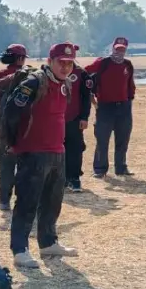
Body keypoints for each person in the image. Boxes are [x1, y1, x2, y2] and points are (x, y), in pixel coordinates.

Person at [4, 43, 80, 269]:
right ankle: (20, 249)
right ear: (50, 61)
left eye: (69, 63)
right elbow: (11, 112)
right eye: (61, 62)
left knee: (52, 201)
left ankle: (48, 242)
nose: (65, 67)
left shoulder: (64, 83)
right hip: (33, 152)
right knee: (27, 202)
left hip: (57, 151)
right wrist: (14, 142)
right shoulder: (34, 82)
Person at [0, 44, 27, 213]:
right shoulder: (30, 76)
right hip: (26, 129)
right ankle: (24, 200)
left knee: (6, 166)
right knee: (26, 166)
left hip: (2, 130)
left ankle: (4, 201)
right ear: (20, 58)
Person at [86, 37, 137, 178]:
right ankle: (100, 169)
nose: (119, 52)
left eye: (122, 49)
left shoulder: (128, 65)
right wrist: (90, 93)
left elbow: (130, 85)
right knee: (102, 139)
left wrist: (130, 99)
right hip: (105, 107)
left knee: (123, 139)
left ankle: (121, 167)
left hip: (124, 107)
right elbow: (85, 73)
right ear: (113, 48)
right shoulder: (103, 63)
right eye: (117, 49)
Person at [59, 44, 92, 193]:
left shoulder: (81, 73)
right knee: (57, 151)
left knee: (75, 149)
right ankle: (60, 179)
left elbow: (86, 97)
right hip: (55, 120)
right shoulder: (51, 73)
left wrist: (84, 117)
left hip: (74, 119)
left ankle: (74, 178)